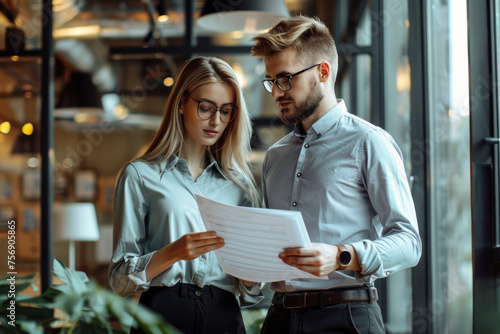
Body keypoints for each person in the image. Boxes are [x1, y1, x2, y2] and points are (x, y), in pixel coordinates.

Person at [251, 16, 422, 333]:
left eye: (285, 79)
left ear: (323, 72)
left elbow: (409, 243)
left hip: (346, 317)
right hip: (279, 318)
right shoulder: (275, 157)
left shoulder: (368, 142)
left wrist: (344, 256)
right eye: (271, 81)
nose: (276, 92)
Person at [108, 56, 263, 334]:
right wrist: (174, 252)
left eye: (226, 111)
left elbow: (250, 290)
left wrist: (253, 274)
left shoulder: (238, 184)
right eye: (206, 108)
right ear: (181, 103)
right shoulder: (140, 175)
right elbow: (120, 280)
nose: (216, 120)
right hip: (163, 311)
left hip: (224, 313)